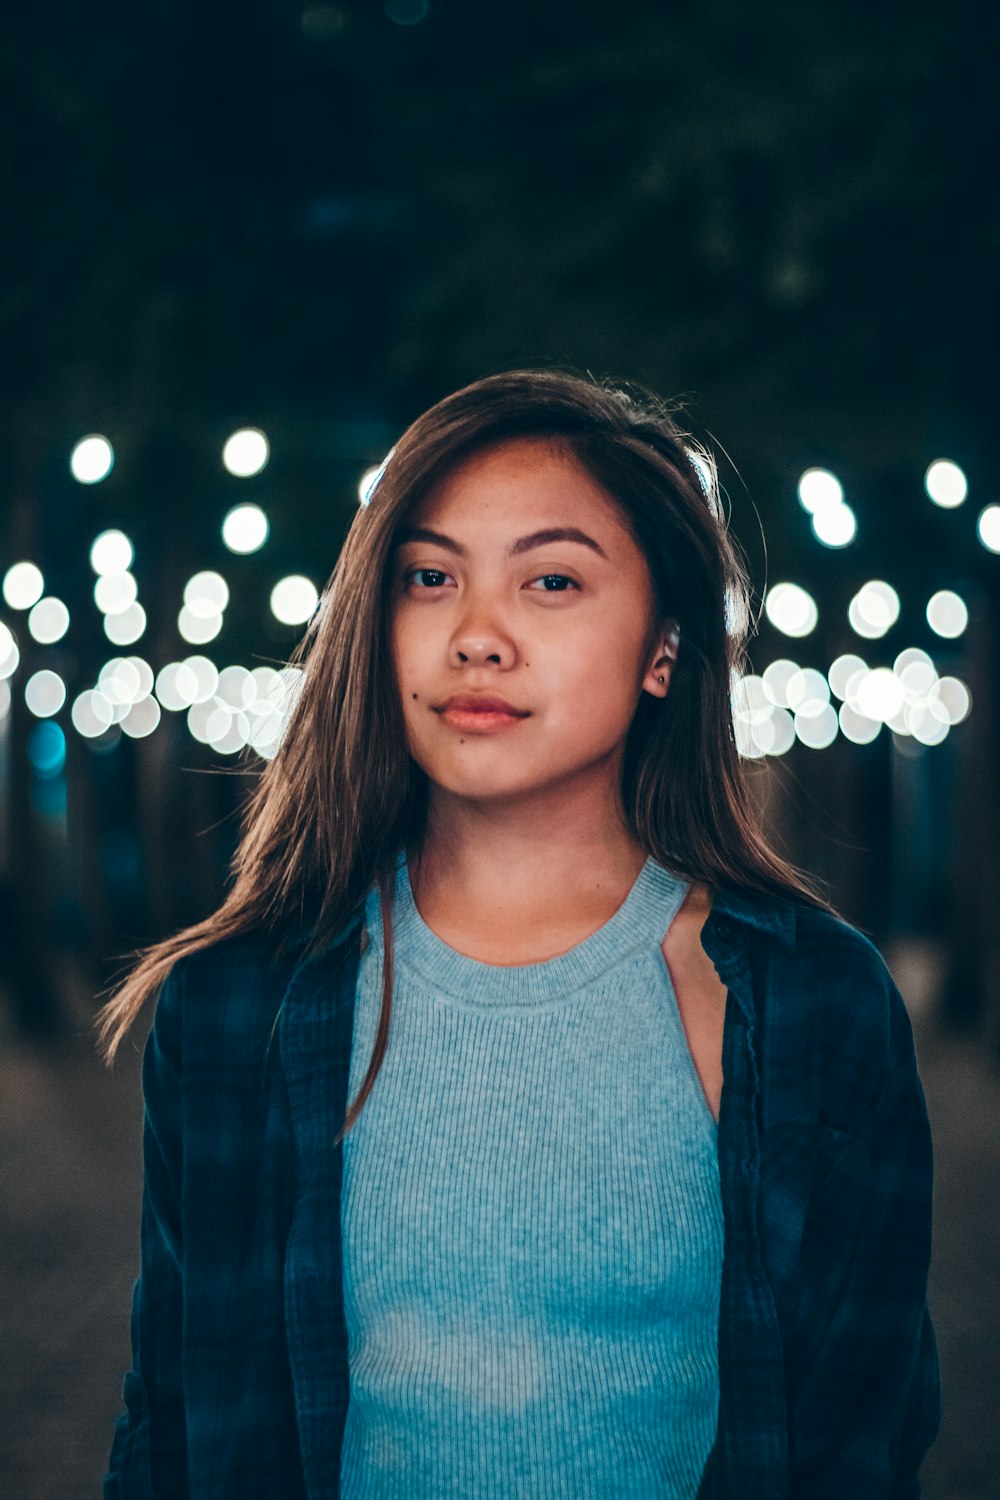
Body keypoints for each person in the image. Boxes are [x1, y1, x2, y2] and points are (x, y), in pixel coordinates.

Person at [99, 369, 940, 1499]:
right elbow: (171, 1433)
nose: (476, 636)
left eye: (550, 580)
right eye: (429, 578)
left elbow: (861, 1439)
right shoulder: (232, 1008)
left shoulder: (816, 1005)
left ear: (665, 648)